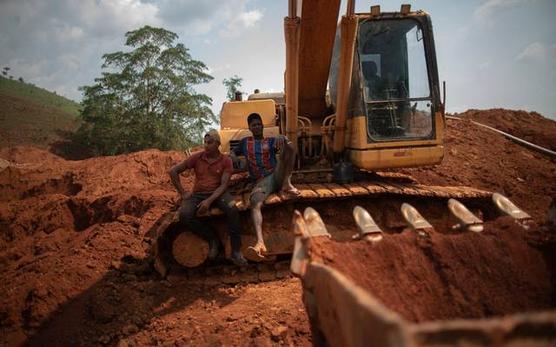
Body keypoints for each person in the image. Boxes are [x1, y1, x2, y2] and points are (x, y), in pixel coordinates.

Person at [169, 129, 247, 266]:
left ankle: (236, 251)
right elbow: (173, 171)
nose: (206, 145)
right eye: (205, 142)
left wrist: (208, 202)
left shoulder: (226, 161)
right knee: (185, 215)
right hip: (198, 194)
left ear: (217, 144)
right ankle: (212, 239)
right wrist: (183, 193)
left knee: (232, 209)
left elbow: (223, 185)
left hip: (218, 193)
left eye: (209, 142)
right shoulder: (197, 157)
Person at [231, 113, 299, 258]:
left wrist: (283, 138)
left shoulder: (271, 141)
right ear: (249, 128)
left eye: (258, 124)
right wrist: (233, 155)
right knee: (254, 202)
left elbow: (288, 147)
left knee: (290, 147)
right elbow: (232, 151)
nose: (256, 127)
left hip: (277, 175)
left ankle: (287, 183)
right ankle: (260, 242)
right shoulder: (245, 143)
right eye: (253, 125)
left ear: (262, 126)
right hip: (263, 181)